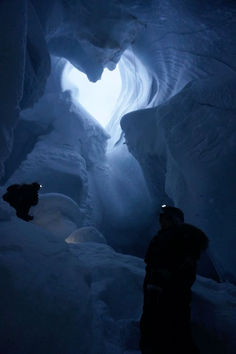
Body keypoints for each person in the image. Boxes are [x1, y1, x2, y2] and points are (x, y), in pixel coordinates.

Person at [139, 205, 208, 354]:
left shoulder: (174, 238)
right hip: (168, 294)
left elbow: (171, 267)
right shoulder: (177, 238)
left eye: (165, 218)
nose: (161, 221)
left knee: (164, 333)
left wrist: (159, 285)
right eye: (161, 218)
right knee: (175, 333)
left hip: (165, 295)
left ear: (174, 220)